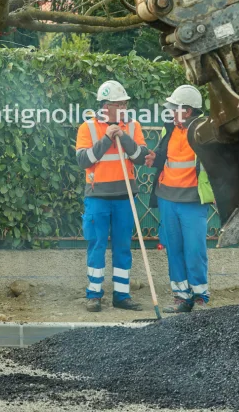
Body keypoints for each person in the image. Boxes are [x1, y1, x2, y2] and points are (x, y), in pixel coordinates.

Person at [75, 81, 155, 312]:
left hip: (124, 196)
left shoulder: (132, 126)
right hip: (97, 196)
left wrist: (124, 137)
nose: (124, 107)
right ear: (106, 106)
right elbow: (83, 161)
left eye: (124, 104)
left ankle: (122, 295)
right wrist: (107, 139)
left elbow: (141, 157)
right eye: (120, 104)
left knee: (122, 247)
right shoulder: (87, 128)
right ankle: (94, 295)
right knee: (97, 245)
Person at [150, 84, 215, 313]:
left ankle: (200, 298)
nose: (171, 111)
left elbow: (218, 160)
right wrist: (153, 158)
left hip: (192, 201)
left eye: (175, 108)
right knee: (173, 248)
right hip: (167, 198)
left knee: (195, 249)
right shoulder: (169, 128)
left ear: (187, 111)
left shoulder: (203, 132)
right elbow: (162, 157)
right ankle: (181, 297)